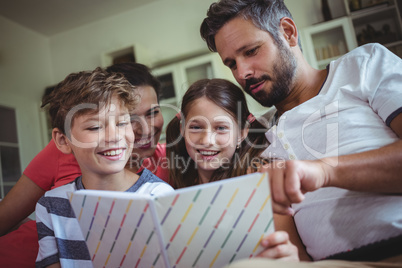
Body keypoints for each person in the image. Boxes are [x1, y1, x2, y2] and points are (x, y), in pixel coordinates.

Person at [200, 0, 402, 264]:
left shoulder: (363, 66)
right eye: (231, 64)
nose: (242, 73)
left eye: (250, 51)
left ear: (288, 32)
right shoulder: (255, 135)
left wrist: (324, 171)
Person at [0, 63, 169, 267]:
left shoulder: (161, 185)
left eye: (122, 122)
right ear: (63, 141)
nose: (114, 136)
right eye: (96, 126)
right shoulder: (51, 202)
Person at [166, 78, 310, 261]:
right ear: (182, 129)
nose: (207, 140)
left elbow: (299, 258)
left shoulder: (259, 181)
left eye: (221, 128)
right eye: (195, 127)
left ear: (242, 134)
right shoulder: (182, 187)